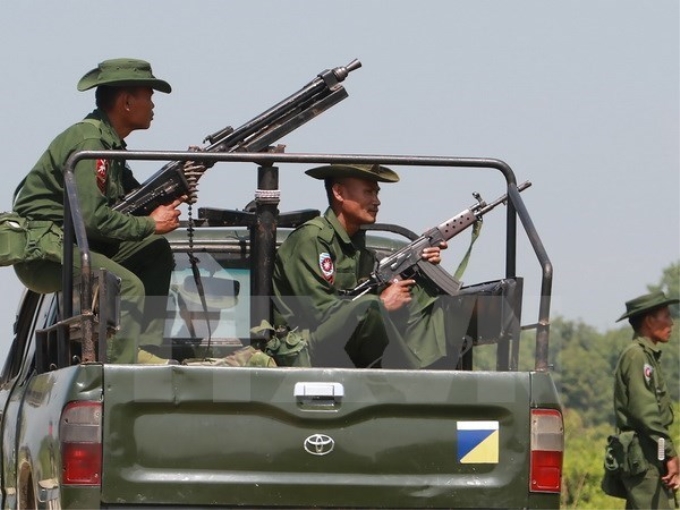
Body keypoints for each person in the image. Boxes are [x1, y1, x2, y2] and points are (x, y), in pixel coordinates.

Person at [12, 58, 194, 364]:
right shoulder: (91, 141)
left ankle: (144, 352)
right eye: (148, 96)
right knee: (128, 286)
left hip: (73, 242)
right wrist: (150, 224)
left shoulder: (110, 146)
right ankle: (117, 375)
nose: (153, 106)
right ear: (125, 101)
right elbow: (92, 218)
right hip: (45, 251)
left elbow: (134, 198)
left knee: (155, 252)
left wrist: (174, 191)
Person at [271, 163, 459, 369]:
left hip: (342, 344)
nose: (376, 201)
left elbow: (361, 295)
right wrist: (382, 303)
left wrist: (419, 265)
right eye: (368, 192)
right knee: (369, 306)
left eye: (377, 193)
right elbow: (322, 313)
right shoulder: (311, 239)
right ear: (339, 192)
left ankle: (430, 371)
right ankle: (408, 379)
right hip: (305, 347)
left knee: (420, 293)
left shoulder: (357, 246)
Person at [614, 290, 679, 509]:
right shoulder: (637, 356)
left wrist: (663, 454)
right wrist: (669, 454)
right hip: (644, 456)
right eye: (666, 316)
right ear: (650, 321)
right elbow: (646, 414)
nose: (672, 322)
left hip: (651, 453)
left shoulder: (646, 355)